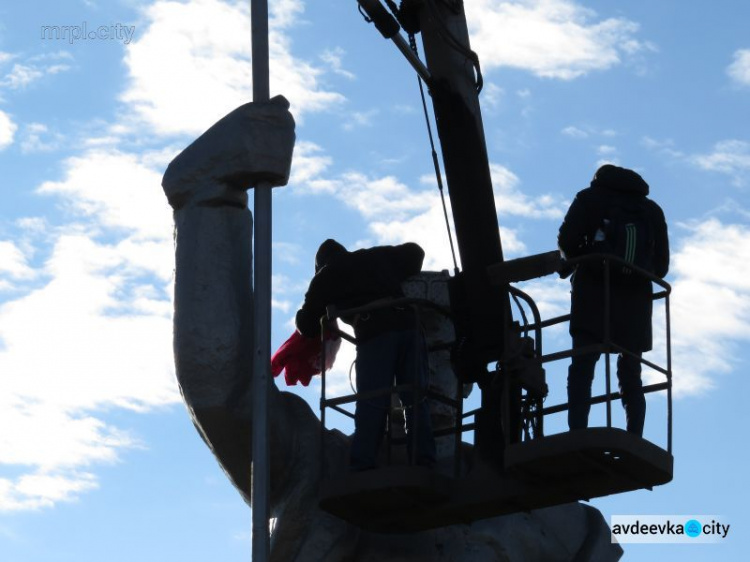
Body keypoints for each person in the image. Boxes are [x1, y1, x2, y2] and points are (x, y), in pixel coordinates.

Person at [295, 239, 436, 471]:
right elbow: (415, 252)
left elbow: (307, 325)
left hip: (376, 333)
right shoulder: (375, 256)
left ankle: (362, 465)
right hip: (411, 326)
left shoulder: (326, 276)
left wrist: (325, 306)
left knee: (373, 401)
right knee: (416, 398)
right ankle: (424, 461)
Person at [558, 164, 669, 436]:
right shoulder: (651, 210)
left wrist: (587, 258)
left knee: (583, 365)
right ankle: (635, 435)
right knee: (631, 372)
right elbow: (662, 265)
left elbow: (567, 241)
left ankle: (577, 431)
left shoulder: (589, 199)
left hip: (592, 298)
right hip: (635, 306)